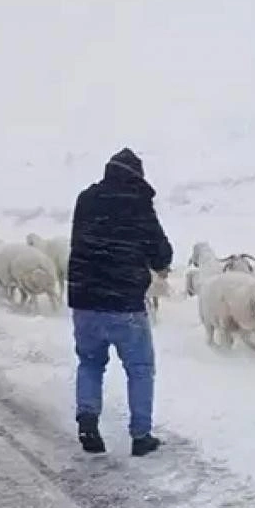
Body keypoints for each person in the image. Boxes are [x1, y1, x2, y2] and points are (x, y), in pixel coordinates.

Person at [68, 148, 173, 457]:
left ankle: (88, 420)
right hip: (124, 302)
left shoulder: (86, 200)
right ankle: (141, 436)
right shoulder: (138, 205)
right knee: (140, 368)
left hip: (85, 299)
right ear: (137, 176)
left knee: (90, 362)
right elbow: (161, 253)